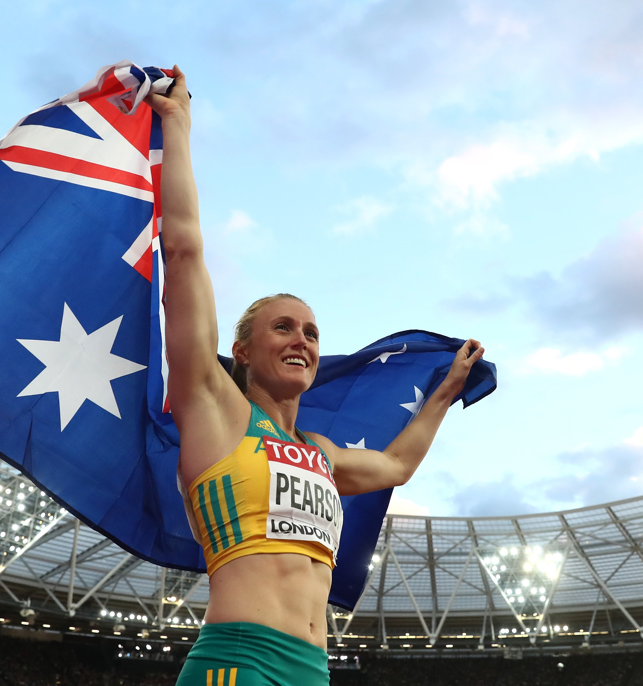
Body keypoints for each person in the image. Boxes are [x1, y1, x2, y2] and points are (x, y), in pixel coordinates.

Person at [148, 68, 486, 686]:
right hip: (239, 663)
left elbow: (395, 468)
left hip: (313, 670)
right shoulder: (215, 408)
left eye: (311, 332)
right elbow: (185, 251)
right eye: (283, 327)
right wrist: (178, 128)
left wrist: (441, 396)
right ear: (242, 350)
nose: (302, 339)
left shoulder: (322, 455)